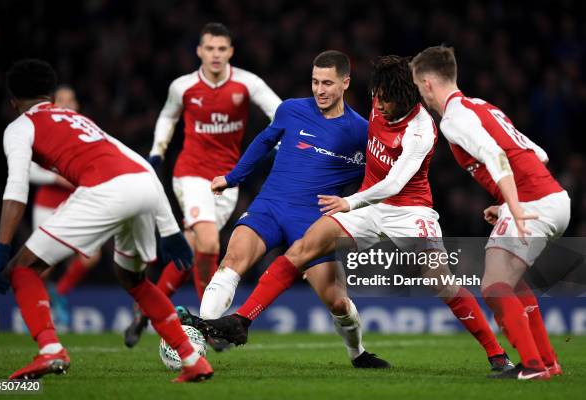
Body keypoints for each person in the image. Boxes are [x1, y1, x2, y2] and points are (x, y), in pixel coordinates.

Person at [202, 55, 513, 372]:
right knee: (302, 249)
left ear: (406, 99)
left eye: (388, 101)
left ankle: (496, 354)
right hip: (368, 206)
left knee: (442, 284)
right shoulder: (377, 102)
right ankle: (242, 320)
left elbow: (394, 183)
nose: (380, 106)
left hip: (408, 211)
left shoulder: (421, 131)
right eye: (378, 97)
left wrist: (349, 202)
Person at [0, 59, 212, 383]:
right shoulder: (78, 118)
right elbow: (141, 164)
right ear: (50, 94)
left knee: (22, 267)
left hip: (105, 191)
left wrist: (1, 249)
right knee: (134, 281)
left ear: (12, 101)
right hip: (143, 188)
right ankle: (192, 360)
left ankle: (50, 350)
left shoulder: (20, 126)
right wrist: (170, 229)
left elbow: (16, 188)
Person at [188, 50, 388, 368]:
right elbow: (264, 142)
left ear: (345, 83)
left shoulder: (362, 133)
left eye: (327, 83)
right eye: (314, 82)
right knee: (232, 261)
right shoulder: (291, 110)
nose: (319, 90)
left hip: (313, 221)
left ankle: (357, 353)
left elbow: (379, 180)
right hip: (270, 206)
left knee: (337, 302)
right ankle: (199, 342)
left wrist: (356, 209)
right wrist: (232, 178)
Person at [410, 45, 570, 380]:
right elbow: (536, 154)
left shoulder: (454, 119)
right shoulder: (482, 106)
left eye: (416, 85)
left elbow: (496, 154)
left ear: (426, 84)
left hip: (533, 204)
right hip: (553, 199)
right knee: (513, 283)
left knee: (494, 285)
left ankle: (533, 366)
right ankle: (547, 361)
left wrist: (514, 203)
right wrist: (508, 200)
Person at [124, 22, 281, 347]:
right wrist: (157, 152)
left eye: (222, 49)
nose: (215, 55)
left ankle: (146, 311)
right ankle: (209, 324)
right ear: (200, 51)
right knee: (209, 244)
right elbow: (168, 116)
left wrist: (282, 139)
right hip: (191, 174)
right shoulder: (183, 87)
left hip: (227, 181)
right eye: (210, 48)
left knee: (194, 245)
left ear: (230, 52)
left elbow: (278, 110)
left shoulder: (246, 83)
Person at [28, 85, 100, 330]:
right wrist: (56, 178)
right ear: (53, 105)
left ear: (77, 105)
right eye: (62, 100)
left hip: (75, 203)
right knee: (43, 266)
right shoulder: (44, 130)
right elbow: (27, 170)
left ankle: (58, 294)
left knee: (91, 256)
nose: (68, 104)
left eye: (72, 100)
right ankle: (35, 313)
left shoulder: (86, 131)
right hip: (47, 204)